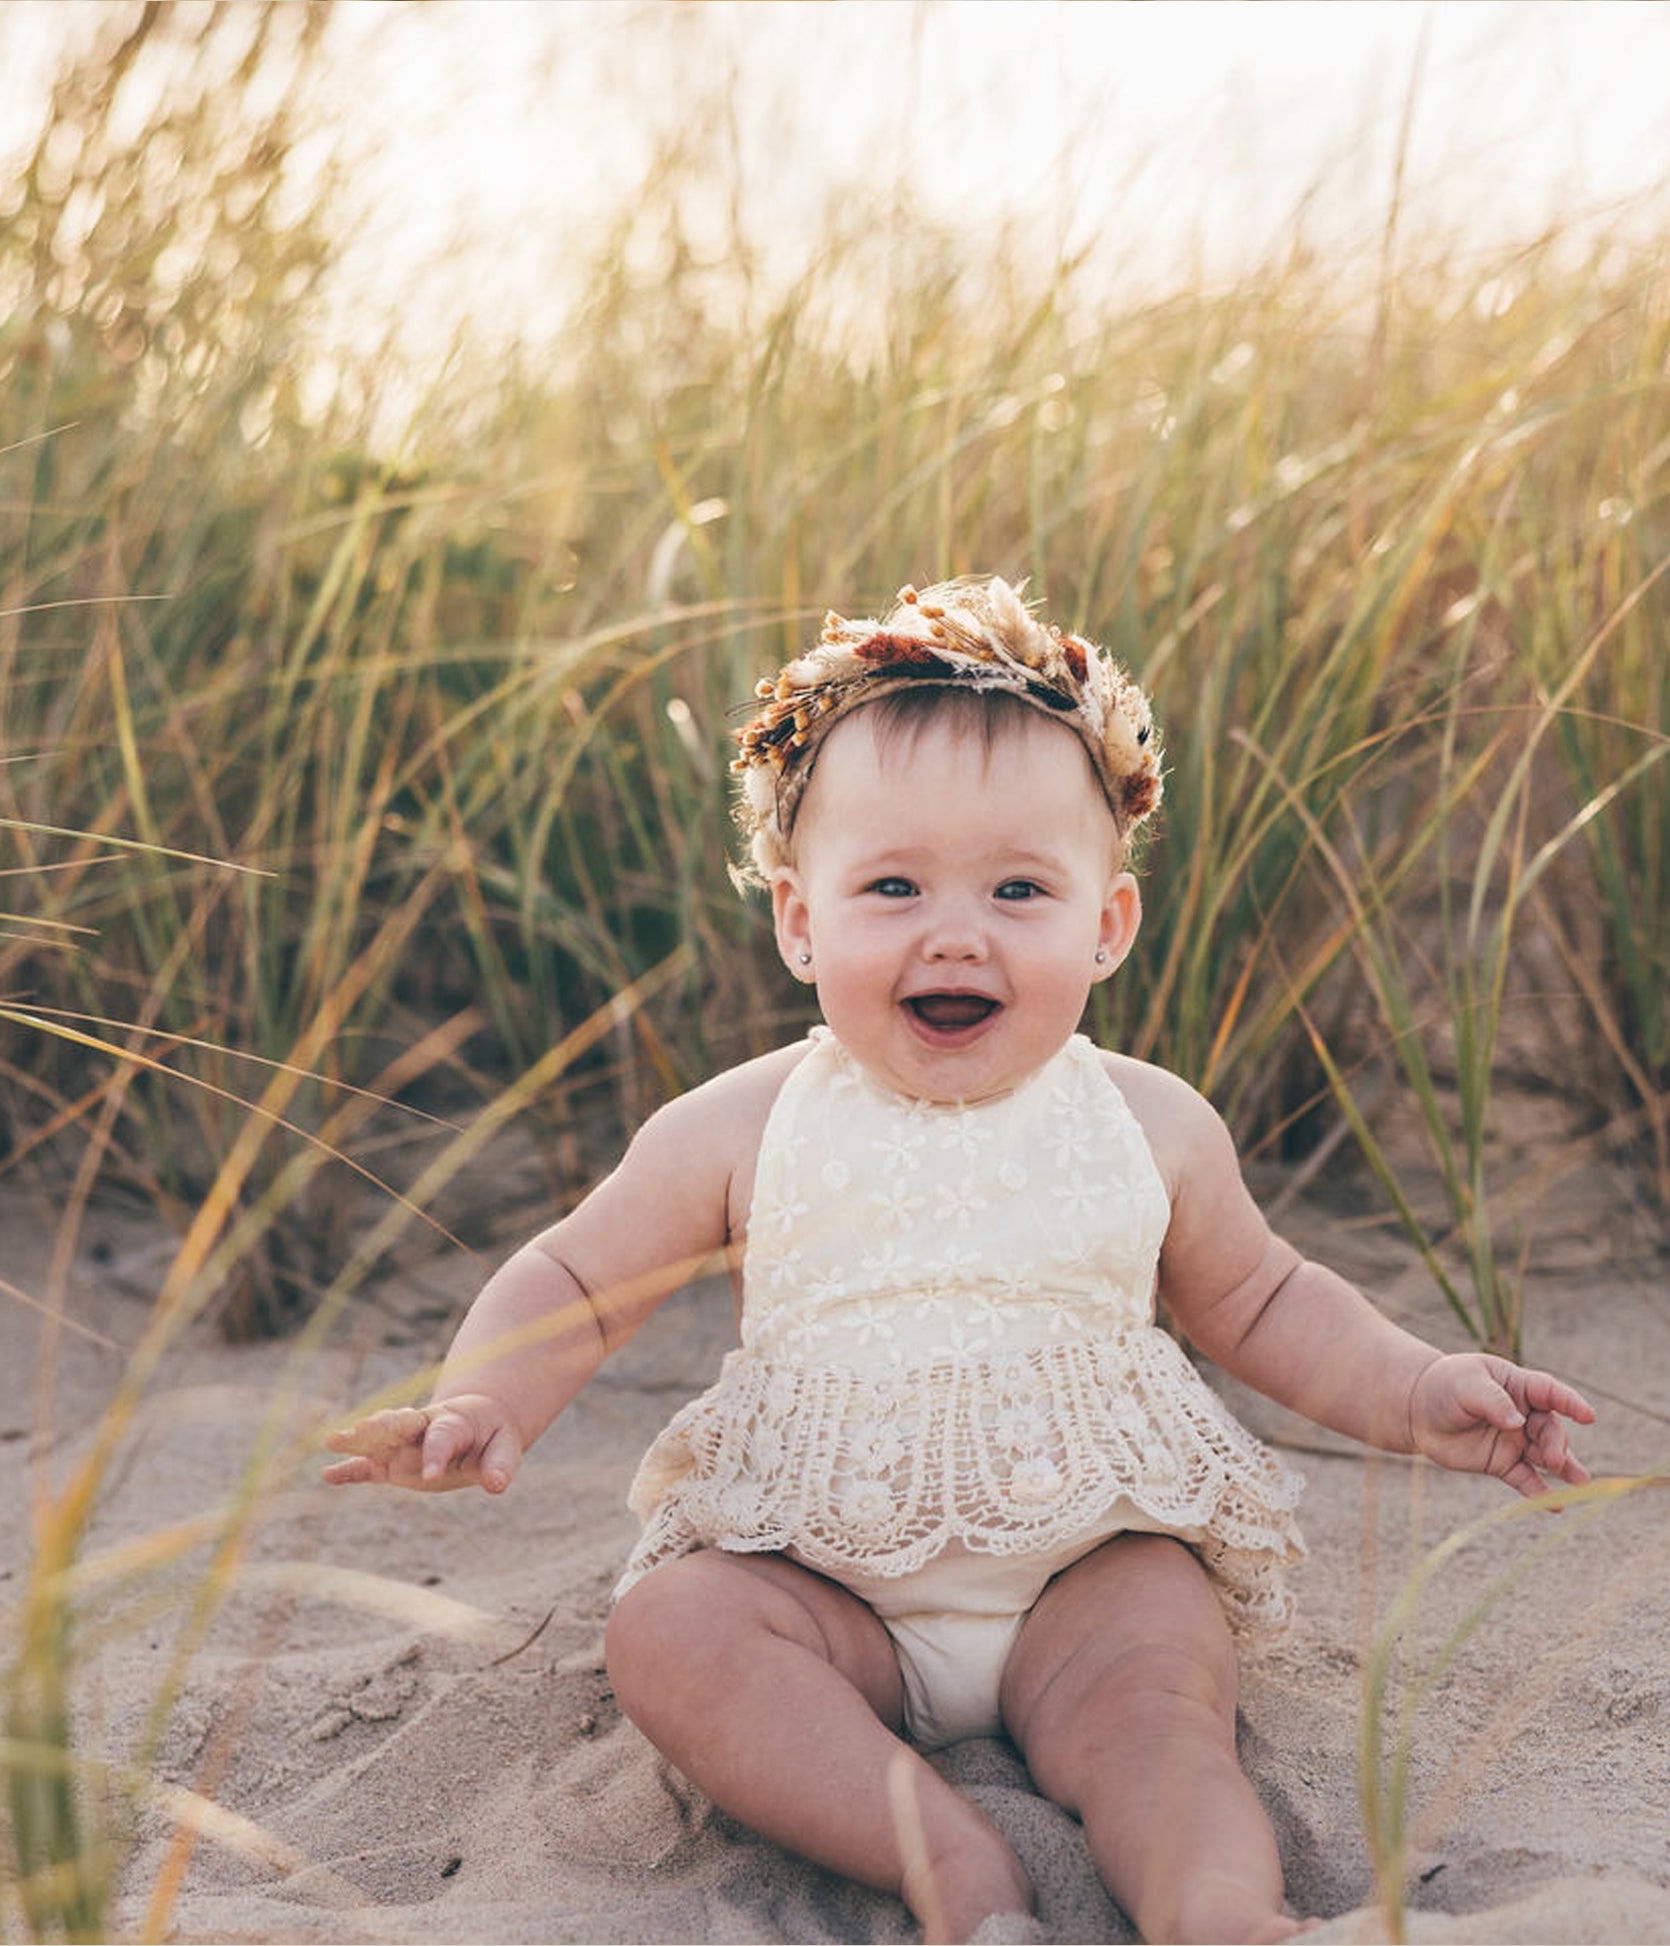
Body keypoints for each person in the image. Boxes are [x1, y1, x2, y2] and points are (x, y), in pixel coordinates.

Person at [325, 577, 1593, 1945]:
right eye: (891, 885)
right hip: (819, 1576)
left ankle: (1222, 1912)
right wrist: (486, 1396)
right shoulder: (744, 1123)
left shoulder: (1149, 1121)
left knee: (1161, 1711)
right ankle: (951, 1864)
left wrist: (1414, 1393)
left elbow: (1262, 1296)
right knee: (676, 1634)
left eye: (1015, 888)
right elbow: (578, 1276)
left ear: (1103, 925)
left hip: (1083, 1566)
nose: (954, 929)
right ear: (797, 919)